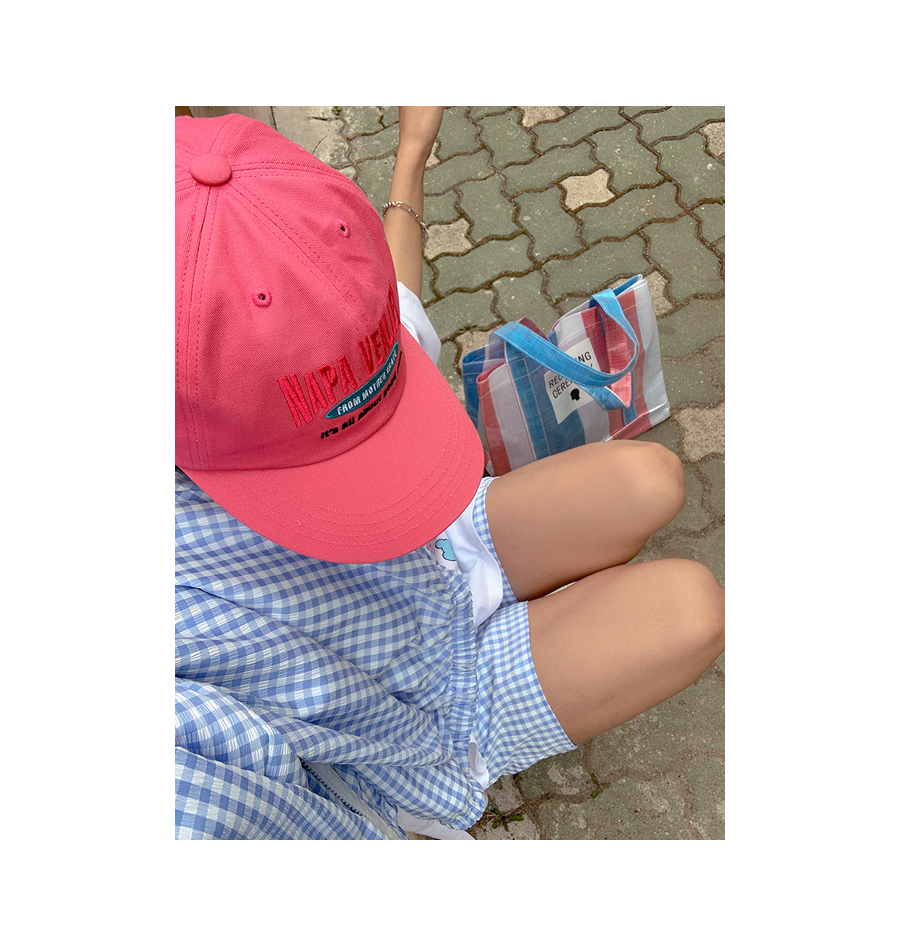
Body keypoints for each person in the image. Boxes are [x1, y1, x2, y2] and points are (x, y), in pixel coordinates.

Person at [175, 107, 724, 840]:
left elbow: (396, 308)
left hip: (434, 560)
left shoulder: (252, 344)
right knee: (692, 608)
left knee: (653, 478)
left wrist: (413, 153)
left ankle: (553, 605)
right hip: (421, 729)